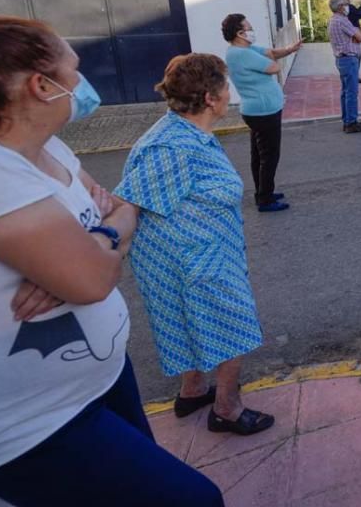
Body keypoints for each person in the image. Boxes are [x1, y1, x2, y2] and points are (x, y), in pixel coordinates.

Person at [0, 17, 223, 507]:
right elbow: (93, 276)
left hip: (96, 381)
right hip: (25, 424)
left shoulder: (46, 146)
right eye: (75, 67)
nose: (82, 79)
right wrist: (89, 253)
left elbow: (122, 209)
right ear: (41, 85)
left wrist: (88, 244)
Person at [115, 53, 273, 438]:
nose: (228, 92)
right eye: (224, 85)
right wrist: (88, 263)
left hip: (195, 255)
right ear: (209, 98)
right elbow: (124, 206)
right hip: (193, 261)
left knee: (190, 320)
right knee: (231, 324)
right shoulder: (172, 148)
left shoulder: (184, 132)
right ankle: (227, 409)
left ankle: (193, 390)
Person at [221, 14, 301, 212]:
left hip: (256, 110)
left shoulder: (241, 50)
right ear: (240, 33)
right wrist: (271, 60)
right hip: (264, 111)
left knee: (259, 155)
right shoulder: (243, 54)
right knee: (269, 156)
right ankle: (265, 199)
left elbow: (271, 53)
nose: (251, 31)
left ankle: (263, 192)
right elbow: (273, 67)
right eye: (248, 28)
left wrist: (290, 49)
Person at [328, 0, 361, 133]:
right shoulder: (342, 21)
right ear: (340, 7)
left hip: (341, 59)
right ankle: (351, 122)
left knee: (345, 92)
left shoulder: (333, 20)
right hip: (349, 58)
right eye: (346, 4)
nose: (348, 6)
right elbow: (360, 37)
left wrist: (355, 36)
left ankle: (347, 120)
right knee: (352, 92)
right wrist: (357, 35)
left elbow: (356, 37)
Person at [338, 0, 361, 83]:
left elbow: (356, 13)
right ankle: (354, 76)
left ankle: (350, 76)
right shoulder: (348, 7)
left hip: (345, 33)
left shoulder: (340, 7)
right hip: (353, 33)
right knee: (356, 55)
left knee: (350, 55)